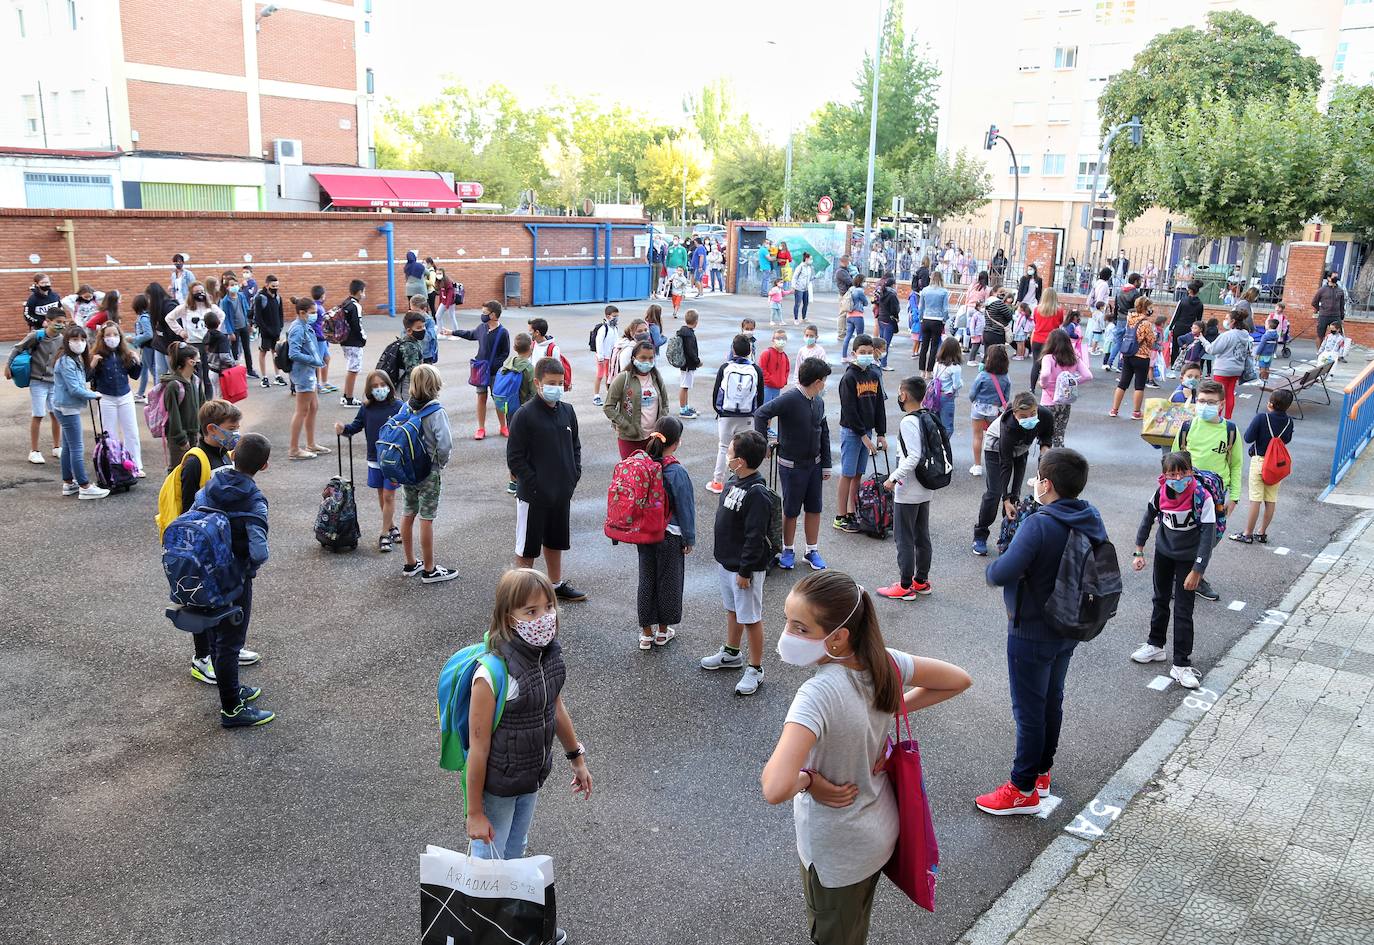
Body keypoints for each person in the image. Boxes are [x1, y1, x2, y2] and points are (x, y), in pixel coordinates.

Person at [762, 569, 971, 944]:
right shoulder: (885, 662)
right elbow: (958, 678)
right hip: (878, 831)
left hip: (837, 853)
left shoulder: (817, 696)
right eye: (787, 622)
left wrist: (809, 781)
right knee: (856, 924)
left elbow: (775, 787)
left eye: (800, 628)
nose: (788, 636)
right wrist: (891, 709)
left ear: (838, 637)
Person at [461, 568, 593, 928]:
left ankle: (511, 927)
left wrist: (576, 758)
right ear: (509, 618)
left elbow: (556, 707)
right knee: (488, 858)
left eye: (548, 607)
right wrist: (474, 812)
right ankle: (483, 930)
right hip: (498, 787)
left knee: (515, 852)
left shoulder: (547, 655)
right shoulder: (491, 674)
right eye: (530, 612)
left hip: (531, 777)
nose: (543, 618)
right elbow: (478, 749)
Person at [978, 448, 1106, 813]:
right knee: (1052, 701)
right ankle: (1041, 773)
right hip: (1068, 624)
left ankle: (1021, 788)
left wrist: (994, 569)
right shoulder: (1089, 515)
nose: (1034, 483)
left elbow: (1001, 572)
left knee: (1029, 710)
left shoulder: (1040, 523)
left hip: (1031, 628)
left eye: (1037, 478)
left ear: (1047, 484)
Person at [189, 431, 274, 727]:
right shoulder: (253, 499)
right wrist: (249, 565)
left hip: (205, 571)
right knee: (231, 642)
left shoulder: (212, 484)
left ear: (233, 455)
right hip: (233, 578)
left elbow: (192, 516)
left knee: (215, 635)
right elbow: (259, 550)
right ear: (264, 466)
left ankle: (231, 688)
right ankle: (232, 709)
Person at [1130, 451, 1218, 690]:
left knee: (1183, 609)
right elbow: (1147, 519)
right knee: (1159, 599)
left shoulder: (1202, 496)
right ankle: (1155, 645)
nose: (1177, 477)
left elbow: (1207, 536)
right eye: (1172, 473)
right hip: (1164, 553)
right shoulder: (1160, 492)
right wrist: (1139, 550)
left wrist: (1198, 570)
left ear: (1191, 471)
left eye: (1183, 472)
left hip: (1188, 559)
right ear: (1164, 474)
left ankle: (1181, 664)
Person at [700, 430, 774, 696]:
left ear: (740, 461)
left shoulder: (756, 493)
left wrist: (745, 570)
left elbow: (755, 536)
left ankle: (756, 668)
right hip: (728, 563)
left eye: (730, 453)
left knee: (751, 618)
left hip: (745, 570)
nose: (727, 456)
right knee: (733, 610)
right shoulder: (734, 481)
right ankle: (732, 653)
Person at [508, 358, 587, 603]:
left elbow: (575, 446)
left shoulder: (567, 411)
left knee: (555, 540)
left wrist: (574, 475)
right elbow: (515, 458)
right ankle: (523, 594)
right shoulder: (524, 415)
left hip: (561, 492)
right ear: (537, 383)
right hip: (534, 495)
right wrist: (534, 483)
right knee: (527, 547)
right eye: (551, 383)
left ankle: (555, 585)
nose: (556, 387)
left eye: (560, 383)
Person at [755, 357, 833, 572]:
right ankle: (787, 550)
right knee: (791, 509)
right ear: (817, 381)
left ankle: (811, 550)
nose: (824, 384)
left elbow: (823, 432)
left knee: (814, 507)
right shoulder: (790, 398)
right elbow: (761, 413)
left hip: (815, 465)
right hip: (791, 465)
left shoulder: (819, 401)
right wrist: (763, 445)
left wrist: (826, 464)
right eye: (823, 380)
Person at [1172, 380, 1238, 603]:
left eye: (1211, 402)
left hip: (1216, 496)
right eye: (1201, 401)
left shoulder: (1230, 430)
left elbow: (1236, 464)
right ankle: (1183, 576)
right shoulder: (1187, 427)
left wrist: (1235, 497)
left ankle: (1196, 575)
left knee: (1212, 535)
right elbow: (1173, 461)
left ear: (1221, 404)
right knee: (1182, 534)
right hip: (1186, 493)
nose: (1205, 406)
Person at [634, 417, 695, 649]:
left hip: (644, 534)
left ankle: (646, 634)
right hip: (670, 535)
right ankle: (662, 632)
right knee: (668, 582)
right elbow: (685, 508)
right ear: (677, 442)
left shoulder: (644, 464)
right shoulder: (676, 471)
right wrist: (689, 538)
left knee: (646, 579)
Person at [397, 364, 458, 584]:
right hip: (428, 472)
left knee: (408, 511)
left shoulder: (406, 407)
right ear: (436, 385)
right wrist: (441, 464)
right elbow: (445, 444)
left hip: (408, 471)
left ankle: (410, 562)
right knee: (426, 518)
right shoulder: (436, 412)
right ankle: (430, 569)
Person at [878, 376, 938, 599]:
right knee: (922, 535)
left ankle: (905, 586)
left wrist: (892, 478)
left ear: (904, 394)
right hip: (925, 485)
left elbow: (912, 457)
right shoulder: (928, 416)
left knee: (904, 538)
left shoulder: (908, 421)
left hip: (909, 487)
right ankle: (921, 580)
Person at [972, 392, 1053, 556]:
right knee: (996, 492)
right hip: (997, 450)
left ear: (1037, 408)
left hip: (1021, 450)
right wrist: (1005, 498)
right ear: (1015, 414)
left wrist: (1045, 451)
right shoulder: (1008, 426)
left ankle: (1008, 538)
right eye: (1023, 416)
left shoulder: (1045, 415)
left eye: (1032, 413)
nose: (1029, 418)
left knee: (1015, 495)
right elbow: (1005, 464)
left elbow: (1046, 435)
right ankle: (980, 534)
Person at [336, 370, 403, 552]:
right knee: (382, 496)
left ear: (389, 386)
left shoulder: (398, 406)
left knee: (389, 496)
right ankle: (391, 526)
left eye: (382, 385)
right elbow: (355, 426)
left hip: (392, 461)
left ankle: (383, 534)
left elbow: (408, 429)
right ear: (369, 389)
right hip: (374, 459)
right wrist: (343, 429)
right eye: (375, 386)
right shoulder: (366, 408)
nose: (379, 389)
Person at [833, 337, 887, 533]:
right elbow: (849, 410)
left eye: (869, 352)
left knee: (858, 474)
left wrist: (880, 433)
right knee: (847, 474)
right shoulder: (849, 378)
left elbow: (879, 405)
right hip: (852, 432)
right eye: (862, 352)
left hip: (867, 432)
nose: (866, 355)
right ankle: (840, 516)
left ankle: (851, 511)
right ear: (854, 353)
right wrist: (863, 435)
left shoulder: (874, 374)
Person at [50, 324, 109, 499]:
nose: (80, 343)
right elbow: (75, 388)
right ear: (67, 341)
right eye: (75, 339)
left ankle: (69, 482)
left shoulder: (73, 359)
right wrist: (94, 394)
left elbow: (80, 380)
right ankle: (84, 485)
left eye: (83, 339)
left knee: (68, 446)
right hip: (67, 408)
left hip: (65, 406)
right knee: (77, 447)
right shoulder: (67, 361)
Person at [1230, 388, 1295, 546]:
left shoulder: (1262, 418)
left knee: (1255, 499)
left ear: (1271, 403)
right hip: (1276, 464)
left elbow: (1248, 437)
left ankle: (1247, 534)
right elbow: (1286, 440)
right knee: (1271, 499)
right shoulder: (1289, 421)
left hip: (1260, 461)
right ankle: (1262, 532)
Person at [5, 308, 66, 464]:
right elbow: (17, 348)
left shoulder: (63, 339)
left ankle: (57, 446)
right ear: (48, 321)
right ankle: (34, 450)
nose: (61, 325)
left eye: (63, 322)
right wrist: (8, 366)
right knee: (38, 414)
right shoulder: (36, 336)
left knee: (56, 414)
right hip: (37, 381)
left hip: (54, 382)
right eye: (58, 322)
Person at [444, 299, 510, 440]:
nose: (482, 315)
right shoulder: (482, 327)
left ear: (493, 315)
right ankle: (481, 428)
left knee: (498, 399)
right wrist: (453, 332)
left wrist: (495, 364)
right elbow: (470, 334)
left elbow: (505, 352)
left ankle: (503, 426)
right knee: (481, 398)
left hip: (495, 372)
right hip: (480, 370)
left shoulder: (503, 332)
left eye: (485, 313)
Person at [707, 334, 765, 493]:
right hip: (747, 415)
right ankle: (741, 479)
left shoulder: (725, 367)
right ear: (750, 351)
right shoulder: (756, 369)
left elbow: (716, 391)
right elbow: (760, 395)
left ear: (733, 349)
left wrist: (718, 410)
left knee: (724, 447)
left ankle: (717, 482)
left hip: (726, 414)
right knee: (745, 448)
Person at [89, 321, 145, 477]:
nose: (112, 338)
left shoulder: (124, 354)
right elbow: (87, 377)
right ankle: (113, 466)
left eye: (115, 335)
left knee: (131, 431)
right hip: (105, 398)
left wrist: (137, 362)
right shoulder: (97, 356)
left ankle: (135, 465)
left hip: (125, 396)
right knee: (110, 434)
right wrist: (93, 364)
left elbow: (134, 375)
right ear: (102, 338)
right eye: (108, 335)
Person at [604, 340, 669, 459]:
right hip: (630, 438)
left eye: (651, 358)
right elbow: (608, 407)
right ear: (634, 358)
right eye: (643, 358)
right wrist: (626, 426)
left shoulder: (656, 377)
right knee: (632, 474)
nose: (647, 362)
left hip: (654, 439)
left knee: (652, 474)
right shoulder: (623, 378)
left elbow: (665, 403)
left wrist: (660, 426)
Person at [285, 297, 326, 460]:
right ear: (302, 313)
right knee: (302, 411)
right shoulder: (298, 328)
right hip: (303, 374)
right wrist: (313, 360)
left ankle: (310, 443)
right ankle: (294, 449)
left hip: (309, 372)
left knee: (313, 407)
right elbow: (293, 353)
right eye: (313, 312)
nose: (315, 315)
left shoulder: (304, 325)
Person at [496, 334, 537, 495]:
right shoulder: (528, 367)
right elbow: (533, 393)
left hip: (510, 410)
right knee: (527, 447)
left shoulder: (507, 364)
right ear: (531, 347)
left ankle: (512, 481)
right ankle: (524, 481)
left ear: (514, 348)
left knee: (513, 446)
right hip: (525, 411)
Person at [166, 281, 220, 399]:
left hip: (208, 345)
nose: (199, 294)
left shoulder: (210, 307)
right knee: (196, 375)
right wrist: (180, 331)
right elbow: (169, 318)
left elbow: (221, 316)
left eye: (201, 291)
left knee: (208, 375)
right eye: (196, 292)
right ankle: (196, 401)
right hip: (193, 345)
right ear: (191, 294)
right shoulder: (185, 308)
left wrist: (215, 331)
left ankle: (209, 402)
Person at [1108, 296, 1156, 421]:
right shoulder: (1146, 323)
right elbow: (1151, 341)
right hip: (1141, 356)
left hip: (1128, 354)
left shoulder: (1131, 319)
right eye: (1150, 307)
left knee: (1123, 383)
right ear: (1146, 308)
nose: (1151, 309)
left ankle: (1114, 409)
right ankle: (1136, 412)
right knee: (1139, 385)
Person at [1037, 328, 1087, 449]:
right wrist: (1072, 383)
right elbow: (1087, 375)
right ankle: (1060, 462)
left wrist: (1043, 384)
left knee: (1046, 437)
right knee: (1059, 435)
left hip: (1048, 402)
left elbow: (1044, 374)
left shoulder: (1048, 358)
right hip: (1065, 401)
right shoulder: (1074, 358)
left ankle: (1044, 465)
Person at [1198, 310, 1252, 419]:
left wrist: (1203, 340)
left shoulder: (1227, 335)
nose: (1225, 321)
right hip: (1237, 368)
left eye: (1227, 319)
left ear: (1233, 321)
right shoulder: (1245, 335)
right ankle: (1228, 418)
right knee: (1230, 393)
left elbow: (1212, 349)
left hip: (1223, 368)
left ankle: (1217, 417)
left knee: (1218, 394)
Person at [160, 342, 205, 471]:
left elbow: (203, 406)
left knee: (193, 469)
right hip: (178, 438)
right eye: (197, 359)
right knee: (177, 470)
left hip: (194, 434)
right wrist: (181, 438)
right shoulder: (173, 386)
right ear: (190, 361)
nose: (199, 361)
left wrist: (203, 431)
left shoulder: (195, 381)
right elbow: (173, 415)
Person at [968, 345, 1011, 477]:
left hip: (979, 409)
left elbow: (972, 394)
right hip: (994, 410)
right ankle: (995, 463)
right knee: (994, 436)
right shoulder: (1005, 378)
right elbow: (1006, 397)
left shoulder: (982, 375)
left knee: (977, 436)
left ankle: (977, 466)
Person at [338, 279, 368, 407]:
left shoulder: (345, 303)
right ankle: (349, 398)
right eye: (364, 291)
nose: (364, 294)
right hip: (354, 342)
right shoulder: (356, 306)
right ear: (360, 292)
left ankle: (346, 395)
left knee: (350, 368)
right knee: (353, 370)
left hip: (345, 340)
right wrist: (363, 338)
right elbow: (357, 325)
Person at [1027, 287, 1065, 391]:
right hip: (1052, 340)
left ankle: (1032, 388)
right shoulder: (1059, 310)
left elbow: (1035, 322)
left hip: (1037, 339)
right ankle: (1048, 386)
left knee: (1036, 363)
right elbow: (1060, 323)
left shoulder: (1037, 309)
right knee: (1051, 364)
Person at [253, 274, 287, 388]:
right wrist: (265, 329)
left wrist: (280, 327)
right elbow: (258, 317)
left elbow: (280, 314)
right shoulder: (260, 298)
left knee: (276, 352)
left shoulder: (278, 298)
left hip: (276, 331)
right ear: (267, 285)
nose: (275, 288)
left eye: (277, 286)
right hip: (265, 332)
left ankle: (277, 376)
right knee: (263, 352)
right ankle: (264, 377)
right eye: (273, 286)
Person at [218, 273, 255, 377]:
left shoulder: (241, 296)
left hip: (243, 326)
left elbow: (246, 310)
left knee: (247, 348)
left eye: (235, 284)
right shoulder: (225, 301)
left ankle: (250, 369)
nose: (234, 286)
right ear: (227, 287)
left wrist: (249, 324)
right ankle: (234, 369)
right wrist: (230, 332)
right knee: (235, 350)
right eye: (231, 285)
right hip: (235, 329)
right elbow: (226, 318)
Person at [915, 271, 949, 373]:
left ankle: (922, 370)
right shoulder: (944, 292)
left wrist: (921, 318)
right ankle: (929, 371)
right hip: (937, 320)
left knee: (924, 346)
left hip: (926, 319)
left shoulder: (925, 290)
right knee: (934, 347)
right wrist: (944, 319)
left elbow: (921, 307)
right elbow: (945, 309)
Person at [931, 338, 963, 439]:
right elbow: (957, 384)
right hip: (946, 396)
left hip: (935, 394)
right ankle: (942, 447)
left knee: (936, 423)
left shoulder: (938, 363)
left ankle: (934, 444)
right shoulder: (955, 367)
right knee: (947, 427)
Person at [1168, 279, 1204, 367]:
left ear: (1189, 290)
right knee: (1190, 347)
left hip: (1179, 326)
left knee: (1175, 347)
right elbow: (1199, 320)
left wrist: (1170, 327)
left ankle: (1174, 364)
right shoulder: (1200, 304)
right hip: (1191, 328)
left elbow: (1176, 315)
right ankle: (1186, 364)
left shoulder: (1183, 301)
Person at [675, 309, 702, 419]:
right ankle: (682, 409)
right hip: (687, 365)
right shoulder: (689, 335)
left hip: (685, 364)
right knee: (684, 386)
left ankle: (686, 407)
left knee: (686, 386)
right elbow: (691, 351)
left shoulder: (684, 332)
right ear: (696, 321)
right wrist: (698, 361)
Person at [591, 304, 619, 407]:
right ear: (608, 316)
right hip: (603, 357)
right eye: (614, 316)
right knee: (599, 376)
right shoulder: (603, 328)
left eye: (617, 316)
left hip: (611, 357)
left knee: (609, 376)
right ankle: (596, 396)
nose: (616, 318)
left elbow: (616, 342)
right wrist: (600, 357)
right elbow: (599, 343)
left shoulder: (615, 328)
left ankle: (610, 394)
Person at [131, 295, 158, 402]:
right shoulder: (147, 316)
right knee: (143, 370)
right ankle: (140, 393)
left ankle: (156, 394)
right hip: (147, 346)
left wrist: (134, 339)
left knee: (153, 370)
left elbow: (148, 334)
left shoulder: (144, 318)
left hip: (148, 347)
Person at [873, 276, 900, 369]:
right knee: (886, 344)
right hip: (889, 320)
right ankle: (884, 364)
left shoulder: (882, 292)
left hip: (881, 318)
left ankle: (879, 361)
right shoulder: (892, 295)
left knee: (881, 342)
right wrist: (896, 317)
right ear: (893, 285)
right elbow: (895, 309)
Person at [1313, 270, 1347, 342]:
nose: (1336, 278)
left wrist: (1342, 317)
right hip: (1324, 316)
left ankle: (1335, 352)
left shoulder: (1340, 290)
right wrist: (1320, 309)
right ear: (1328, 278)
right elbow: (1314, 302)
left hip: (1336, 316)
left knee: (1339, 336)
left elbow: (1342, 304)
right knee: (1320, 335)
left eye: (1337, 277)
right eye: (1334, 277)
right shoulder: (1322, 290)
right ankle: (1319, 352)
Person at [842, 274, 870, 363]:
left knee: (848, 336)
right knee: (860, 338)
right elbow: (866, 303)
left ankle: (844, 356)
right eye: (864, 281)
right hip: (858, 316)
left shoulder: (850, 289)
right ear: (861, 281)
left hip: (849, 315)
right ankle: (857, 356)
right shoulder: (859, 291)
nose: (865, 283)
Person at [1255, 317, 1280, 382]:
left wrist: (1257, 353)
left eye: (1266, 324)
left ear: (1269, 326)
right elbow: (1276, 345)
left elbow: (1261, 345)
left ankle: (1261, 379)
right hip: (1270, 354)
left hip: (1263, 354)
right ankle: (1266, 379)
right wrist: (1273, 352)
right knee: (1267, 367)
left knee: (1262, 367)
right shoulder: (1276, 335)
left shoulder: (1265, 336)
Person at [792, 252, 815, 321]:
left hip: (806, 288)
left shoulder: (809, 268)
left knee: (806, 303)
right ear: (806, 259)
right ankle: (796, 319)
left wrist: (815, 277)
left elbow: (809, 278)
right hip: (799, 288)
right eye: (810, 259)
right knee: (797, 304)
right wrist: (793, 286)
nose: (811, 260)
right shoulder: (800, 267)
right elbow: (794, 277)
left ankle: (804, 317)